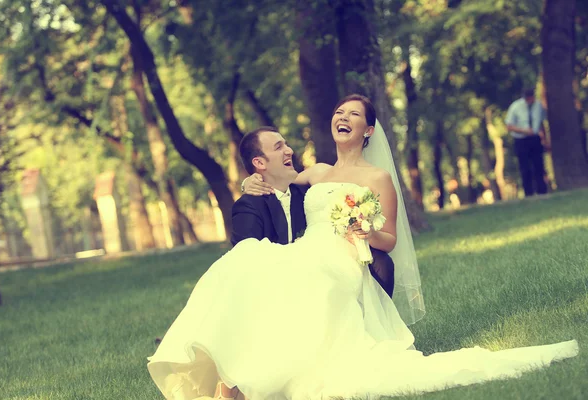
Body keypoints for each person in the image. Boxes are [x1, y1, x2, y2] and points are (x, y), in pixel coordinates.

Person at [147, 95, 578, 400]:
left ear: (367, 130)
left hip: (347, 255)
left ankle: (241, 377)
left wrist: (361, 228)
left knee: (305, 277)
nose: (343, 116)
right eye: (339, 111)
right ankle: (236, 368)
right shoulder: (315, 172)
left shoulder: (378, 180)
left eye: (353, 114)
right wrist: (246, 182)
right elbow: (273, 183)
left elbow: (388, 238)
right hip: (307, 251)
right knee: (260, 269)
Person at [233, 126, 395, 297]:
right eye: (279, 147)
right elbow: (248, 262)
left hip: (321, 269)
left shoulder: (307, 195)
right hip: (277, 285)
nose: (289, 151)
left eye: (286, 145)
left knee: (381, 262)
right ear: (259, 163)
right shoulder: (248, 206)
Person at [505, 88, 548, 196]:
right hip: (521, 139)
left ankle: (542, 190)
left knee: (539, 164)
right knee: (525, 166)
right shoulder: (516, 107)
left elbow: (541, 123)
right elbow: (509, 126)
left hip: (535, 138)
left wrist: (545, 139)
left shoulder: (538, 106)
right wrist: (524, 131)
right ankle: (528, 192)